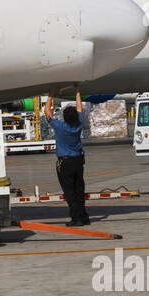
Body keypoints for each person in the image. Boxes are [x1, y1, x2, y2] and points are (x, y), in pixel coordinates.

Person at [43, 89, 89, 227]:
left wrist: (51, 95)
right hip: (77, 161)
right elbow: (80, 108)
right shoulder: (78, 125)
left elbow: (47, 112)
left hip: (65, 163)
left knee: (70, 192)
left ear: (64, 117)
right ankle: (83, 216)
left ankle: (76, 219)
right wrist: (77, 90)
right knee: (79, 189)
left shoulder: (60, 127)